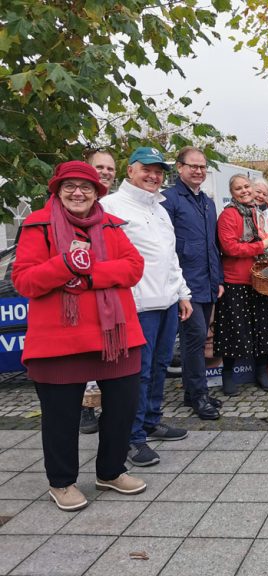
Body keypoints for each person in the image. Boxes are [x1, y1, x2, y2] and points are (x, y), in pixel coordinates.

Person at [12, 161, 147, 511]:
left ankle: (111, 471)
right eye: (69, 186)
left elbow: (133, 268)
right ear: (57, 190)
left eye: (86, 187)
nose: (78, 192)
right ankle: (61, 481)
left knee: (122, 408)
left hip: (116, 336)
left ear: (97, 192)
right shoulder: (37, 225)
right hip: (60, 340)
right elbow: (25, 280)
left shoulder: (111, 225)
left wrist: (87, 275)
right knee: (61, 416)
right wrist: (66, 264)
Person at [100, 147, 193, 468]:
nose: (154, 176)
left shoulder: (160, 208)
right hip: (136, 306)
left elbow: (170, 257)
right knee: (137, 373)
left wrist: (182, 293)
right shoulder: (109, 207)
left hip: (167, 302)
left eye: (158, 171)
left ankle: (151, 419)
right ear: (130, 171)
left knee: (159, 366)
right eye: (147, 170)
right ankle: (132, 436)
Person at [161, 146, 223, 420]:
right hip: (184, 284)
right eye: (193, 166)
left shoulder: (207, 202)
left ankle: (192, 391)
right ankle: (198, 395)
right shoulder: (169, 200)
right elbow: (167, 246)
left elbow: (213, 245)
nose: (198, 171)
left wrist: (218, 279)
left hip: (207, 282)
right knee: (195, 337)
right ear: (180, 167)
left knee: (197, 339)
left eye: (202, 167)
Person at [214, 173, 268, 394]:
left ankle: (261, 371)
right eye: (238, 189)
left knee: (264, 328)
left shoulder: (259, 214)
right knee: (234, 330)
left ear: (253, 189)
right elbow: (230, 248)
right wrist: (260, 247)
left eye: (246, 187)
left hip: (260, 280)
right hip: (236, 281)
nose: (244, 191)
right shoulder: (228, 216)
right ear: (232, 193)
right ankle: (228, 374)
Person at [79, 148, 118, 435]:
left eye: (109, 169)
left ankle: (107, 407)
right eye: (100, 168)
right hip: (80, 293)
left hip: (112, 291)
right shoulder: (73, 206)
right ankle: (85, 408)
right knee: (84, 354)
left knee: (108, 354)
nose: (105, 172)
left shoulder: (112, 206)